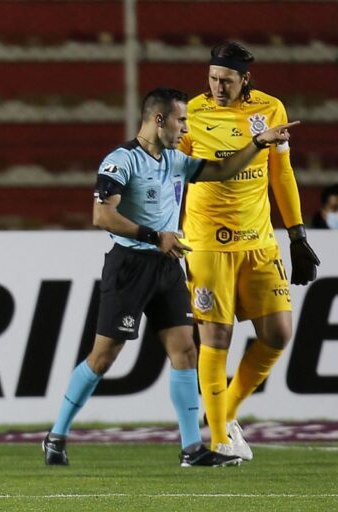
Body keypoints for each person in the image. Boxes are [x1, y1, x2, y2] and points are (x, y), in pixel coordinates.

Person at [42, 87, 297, 467]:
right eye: (181, 120)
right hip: (129, 265)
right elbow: (102, 216)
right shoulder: (121, 160)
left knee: (186, 352)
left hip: (167, 265)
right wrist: (153, 235)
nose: (185, 128)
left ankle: (192, 447)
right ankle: (57, 433)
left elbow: (222, 170)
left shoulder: (175, 160)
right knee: (103, 358)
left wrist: (258, 142)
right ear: (158, 119)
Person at [179, 42, 320, 461]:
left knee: (279, 334)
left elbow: (282, 174)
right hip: (206, 240)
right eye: (212, 78)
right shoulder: (193, 113)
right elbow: (175, 175)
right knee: (216, 335)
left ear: (245, 79)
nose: (217, 87)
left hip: (258, 240)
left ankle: (224, 413)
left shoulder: (271, 109)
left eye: (226, 80)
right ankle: (221, 437)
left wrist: (297, 235)